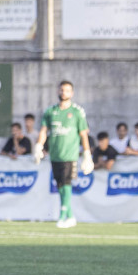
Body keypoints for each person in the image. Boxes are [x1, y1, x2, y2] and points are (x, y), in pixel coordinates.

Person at [34, 80, 92, 229]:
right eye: (61, 90)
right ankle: (71, 216)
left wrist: (87, 154)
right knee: (60, 185)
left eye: (66, 90)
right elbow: (43, 131)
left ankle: (62, 215)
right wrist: (39, 146)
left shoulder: (77, 112)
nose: (63, 93)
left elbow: (83, 133)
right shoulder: (50, 112)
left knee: (67, 184)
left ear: (71, 93)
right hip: (55, 155)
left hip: (70, 155)